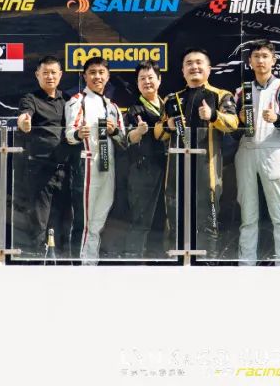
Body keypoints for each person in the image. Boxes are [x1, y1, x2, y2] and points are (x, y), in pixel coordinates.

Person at [158, 48, 238, 258]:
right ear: (182, 70)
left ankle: (208, 264)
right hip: (176, 169)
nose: (194, 66)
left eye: (199, 62)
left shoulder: (221, 95)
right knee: (175, 217)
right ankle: (176, 264)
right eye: (189, 63)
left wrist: (213, 115)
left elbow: (233, 123)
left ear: (209, 69)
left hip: (206, 169)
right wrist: (168, 125)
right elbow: (157, 133)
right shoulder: (172, 99)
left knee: (208, 220)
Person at [234, 39, 280, 266]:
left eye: (265, 56)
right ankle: (246, 265)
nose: (260, 60)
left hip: (273, 151)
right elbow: (231, 129)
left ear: (273, 60)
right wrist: (238, 121)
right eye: (256, 56)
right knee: (248, 215)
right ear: (249, 61)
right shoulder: (241, 91)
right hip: (246, 150)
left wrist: (277, 118)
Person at [65, 56, 126, 264]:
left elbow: (123, 139)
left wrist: (114, 130)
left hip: (108, 167)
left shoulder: (113, 106)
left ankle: (91, 263)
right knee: (84, 221)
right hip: (87, 167)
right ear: (85, 76)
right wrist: (78, 134)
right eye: (92, 73)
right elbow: (69, 134)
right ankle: (79, 265)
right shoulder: (78, 100)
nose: (97, 77)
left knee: (98, 221)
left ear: (108, 76)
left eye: (101, 72)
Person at [16, 54, 71, 258]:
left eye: (53, 73)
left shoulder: (68, 100)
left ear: (60, 75)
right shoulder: (31, 99)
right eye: (45, 73)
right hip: (40, 168)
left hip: (66, 168)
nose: (50, 77)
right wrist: (25, 122)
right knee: (39, 221)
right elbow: (24, 117)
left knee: (65, 219)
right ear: (37, 75)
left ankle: (63, 261)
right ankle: (37, 261)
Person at [123, 61, 169, 258]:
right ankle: (132, 259)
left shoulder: (169, 106)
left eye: (151, 77)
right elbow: (127, 138)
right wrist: (138, 132)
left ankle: (156, 260)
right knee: (141, 219)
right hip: (143, 170)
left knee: (161, 219)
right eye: (142, 79)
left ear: (159, 80)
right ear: (137, 83)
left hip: (167, 168)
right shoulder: (134, 110)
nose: (147, 82)